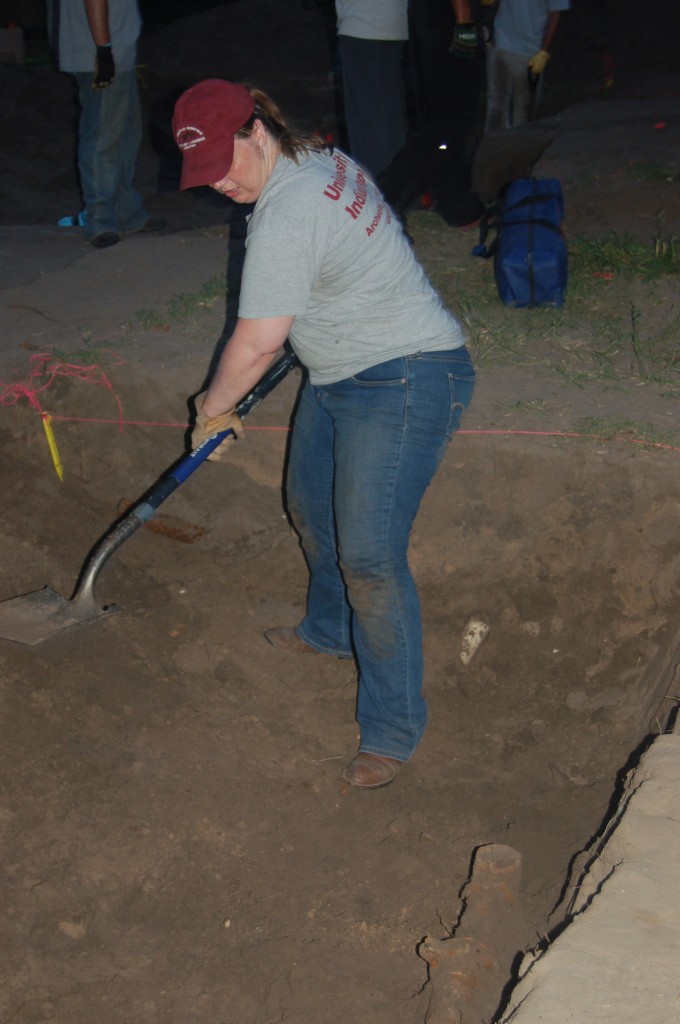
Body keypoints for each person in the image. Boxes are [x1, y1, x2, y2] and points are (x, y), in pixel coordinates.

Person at [172, 79, 475, 791]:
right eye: (203, 172)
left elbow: (258, 342)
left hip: (406, 377)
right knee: (310, 504)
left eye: (225, 161)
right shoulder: (314, 160)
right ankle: (332, 631)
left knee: (370, 556)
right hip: (342, 372)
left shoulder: (292, 206)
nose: (217, 181)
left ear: (256, 131)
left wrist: (212, 410)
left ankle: (394, 728)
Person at [49, 0, 164, 248]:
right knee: (103, 138)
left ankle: (125, 213)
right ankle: (100, 219)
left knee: (125, 136)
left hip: (114, 56)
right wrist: (104, 50)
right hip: (102, 55)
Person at [334, 0, 409, 178]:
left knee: (370, 129)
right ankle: (398, 191)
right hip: (392, 22)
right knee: (390, 122)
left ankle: (381, 196)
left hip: (362, 25)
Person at [483, 0, 571, 131]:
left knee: (524, 115)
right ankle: (491, 148)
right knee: (496, 107)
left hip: (531, 52)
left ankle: (518, 148)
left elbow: (555, 15)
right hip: (501, 45)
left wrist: (543, 51)